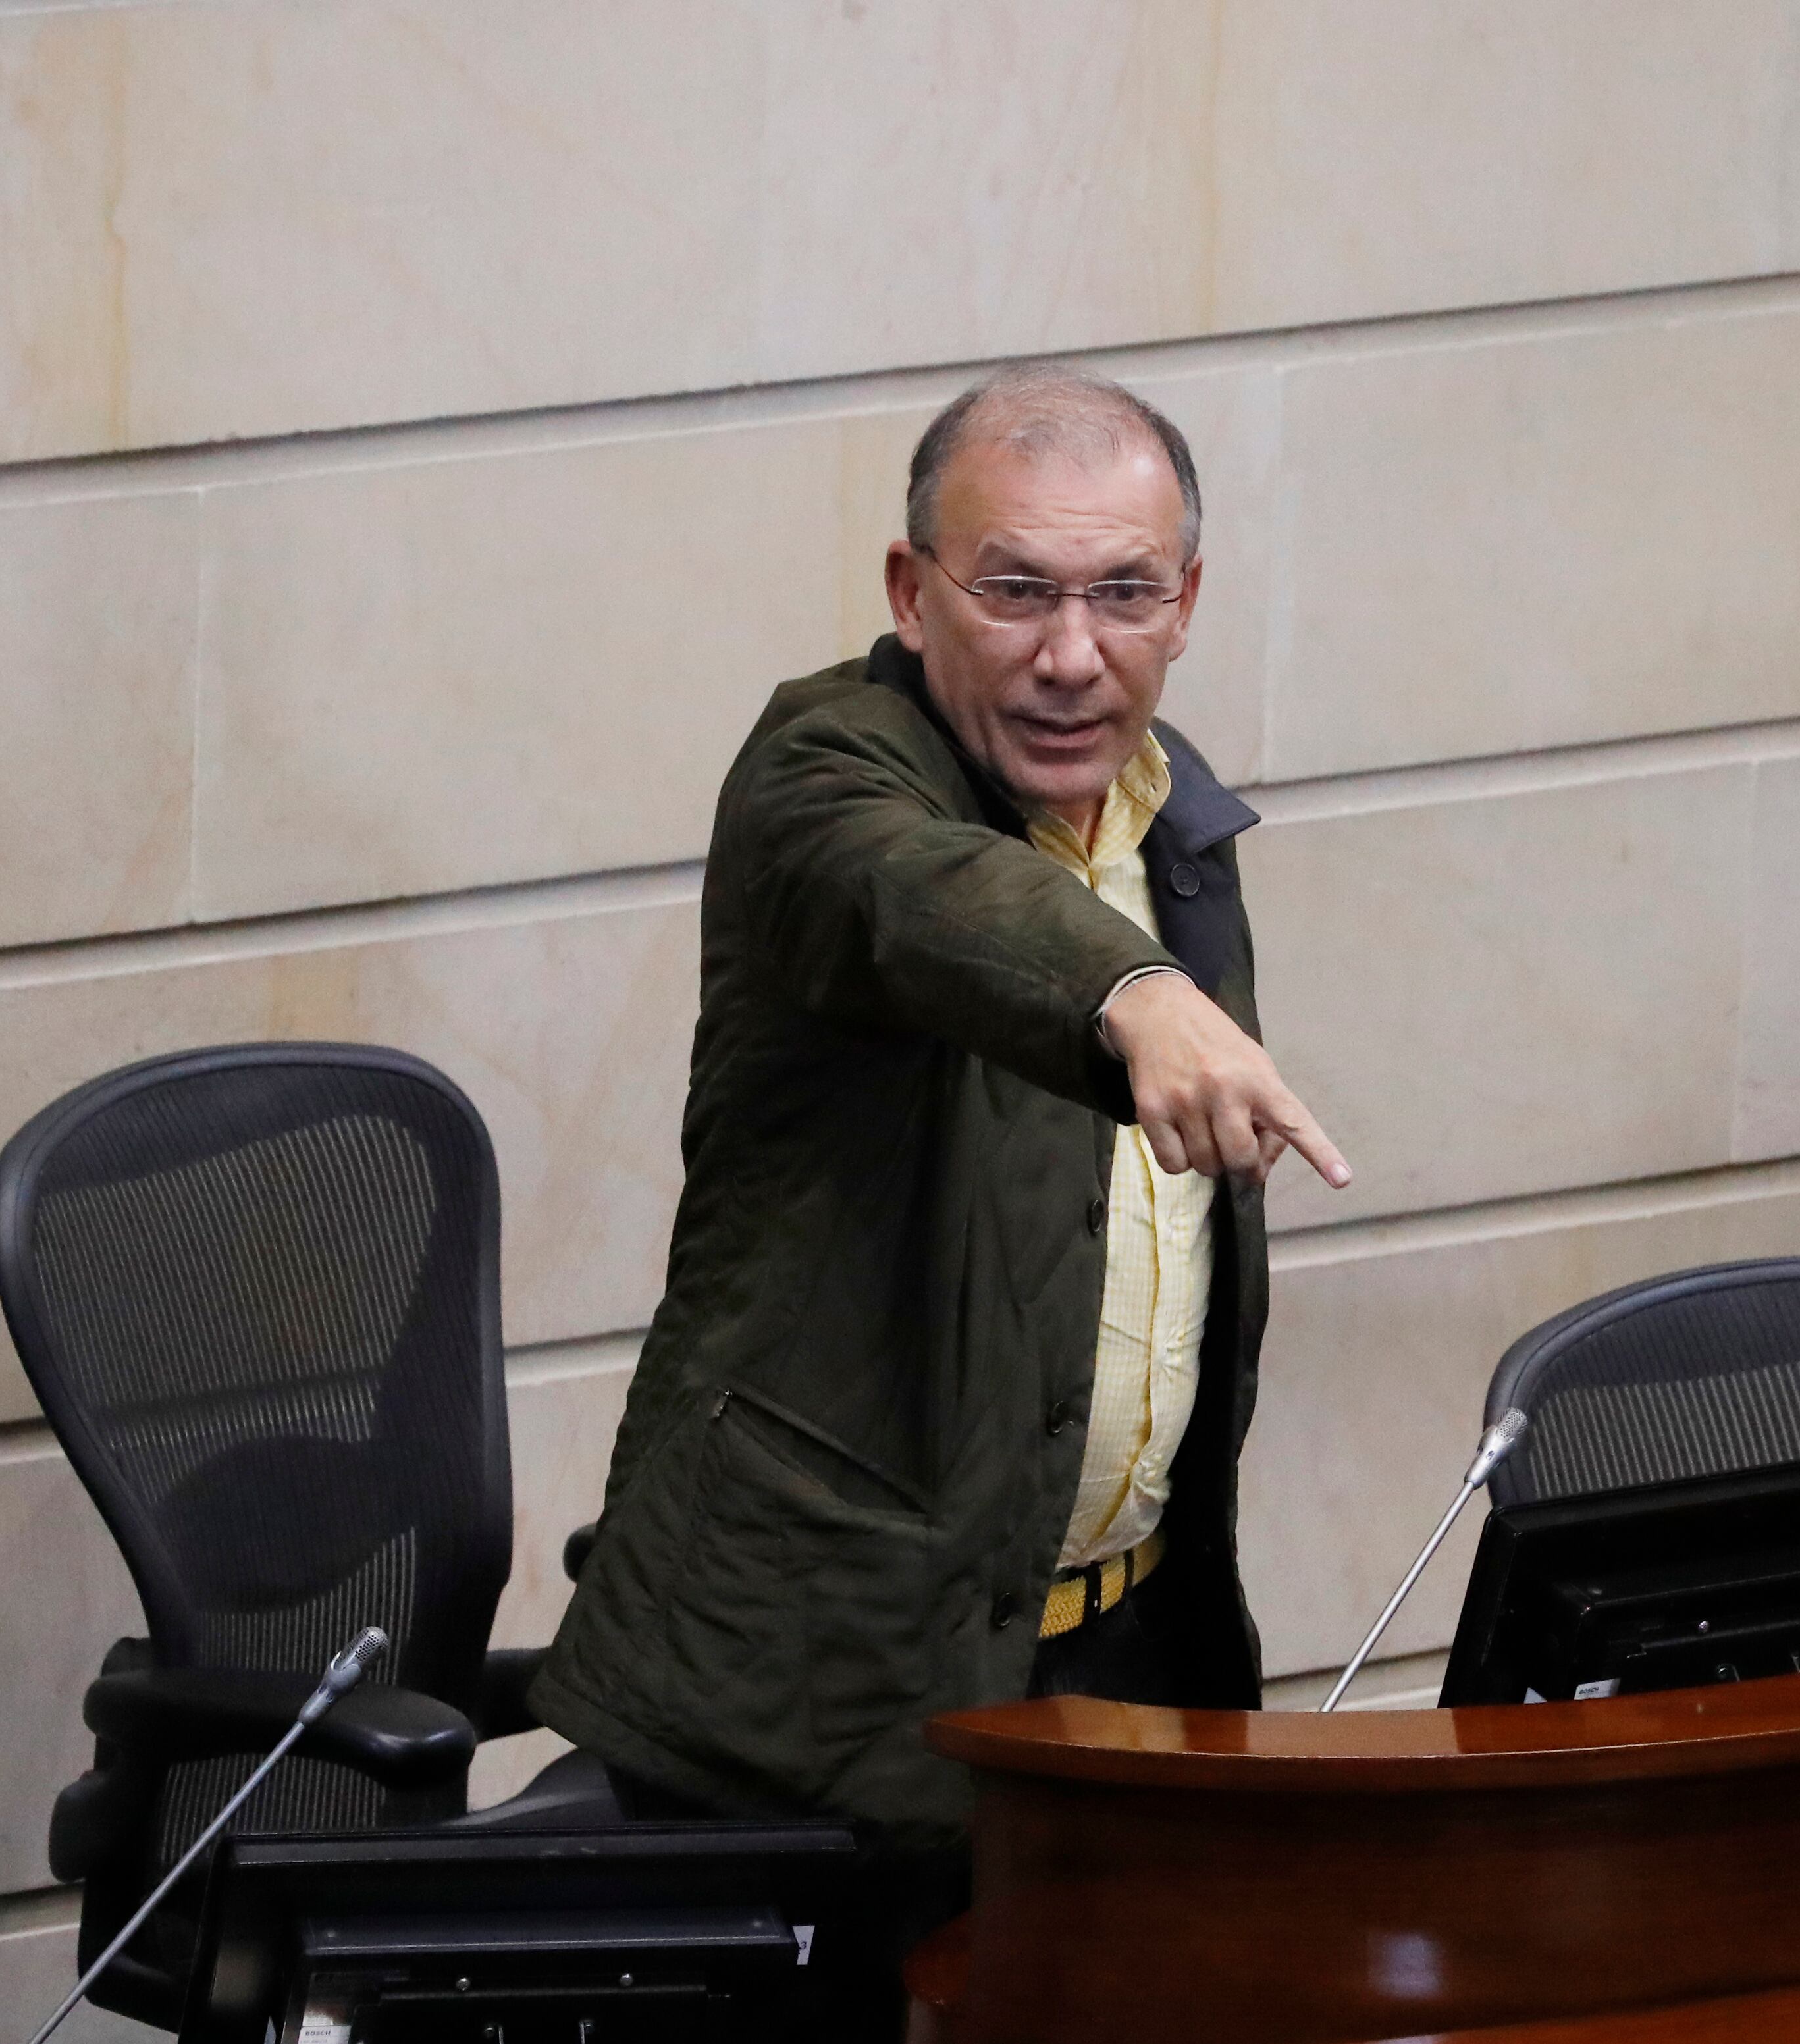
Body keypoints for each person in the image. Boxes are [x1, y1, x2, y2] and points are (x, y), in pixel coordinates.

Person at [529, 361, 1349, 2036]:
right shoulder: (828, 770)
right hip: (814, 1689)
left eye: (1124, 594)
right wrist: (1135, 997)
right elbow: (928, 900)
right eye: (1017, 591)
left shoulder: (1167, 806)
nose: (1072, 653)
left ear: (1186, 602)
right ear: (913, 595)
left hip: (1108, 1665)